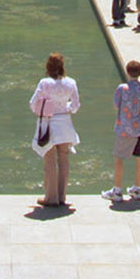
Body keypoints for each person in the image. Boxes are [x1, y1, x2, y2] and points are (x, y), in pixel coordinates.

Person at [102, 59, 140, 202]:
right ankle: (136, 188)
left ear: (127, 72)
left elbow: (116, 106)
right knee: (139, 158)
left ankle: (117, 191)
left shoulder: (122, 89)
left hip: (125, 129)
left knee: (118, 158)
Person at [29, 52, 80, 209]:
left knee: (49, 160)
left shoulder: (45, 83)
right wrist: (65, 108)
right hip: (65, 123)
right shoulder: (70, 83)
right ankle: (62, 196)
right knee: (64, 159)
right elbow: (76, 105)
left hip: (48, 124)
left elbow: (33, 103)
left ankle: (51, 197)